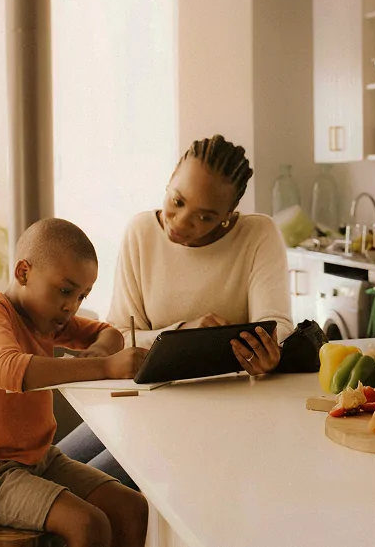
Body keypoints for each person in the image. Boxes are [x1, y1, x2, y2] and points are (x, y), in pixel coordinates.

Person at [58, 134, 293, 488]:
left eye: (205, 216)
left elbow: (278, 329)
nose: (182, 222)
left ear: (228, 216)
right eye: (177, 201)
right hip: (143, 404)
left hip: (222, 419)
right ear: (169, 179)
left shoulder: (258, 235)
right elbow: (119, 336)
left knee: (81, 492)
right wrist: (184, 333)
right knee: (43, 475)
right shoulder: (140, 233)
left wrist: (267, 355)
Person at [0, 218, 149, 547]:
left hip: (37, 459)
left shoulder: (49, 318)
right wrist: (104, 367)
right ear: (23, 273)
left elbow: (108, 332)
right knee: (87, 523)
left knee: (131, 507)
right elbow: (9, 370)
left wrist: (96, 354)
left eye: (81, 296)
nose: (71, 306)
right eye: (65, 290)